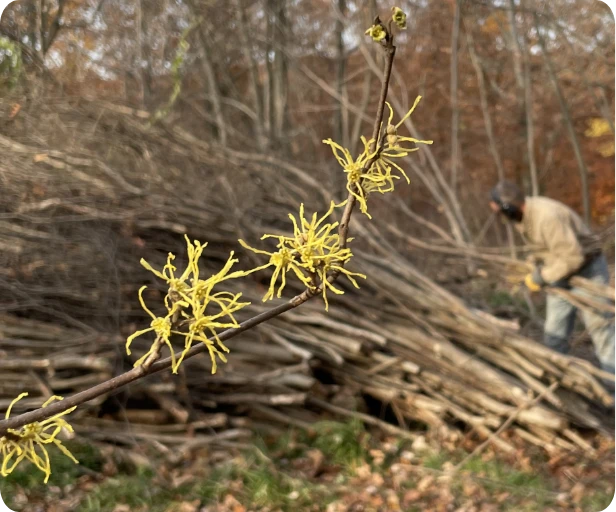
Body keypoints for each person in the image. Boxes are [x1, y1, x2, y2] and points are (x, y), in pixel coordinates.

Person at [489, 181, 616, 385]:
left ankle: (613, 392)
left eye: (500, 211)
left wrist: (542, 277)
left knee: (602, 332)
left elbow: (573, 257)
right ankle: (563, 383)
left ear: (508, 207)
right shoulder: (526, 216)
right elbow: (546, 248)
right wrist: (532, 267)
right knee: (554, 335)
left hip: (587, 271)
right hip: (560, 273)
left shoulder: (546, 217)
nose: (501, 217)